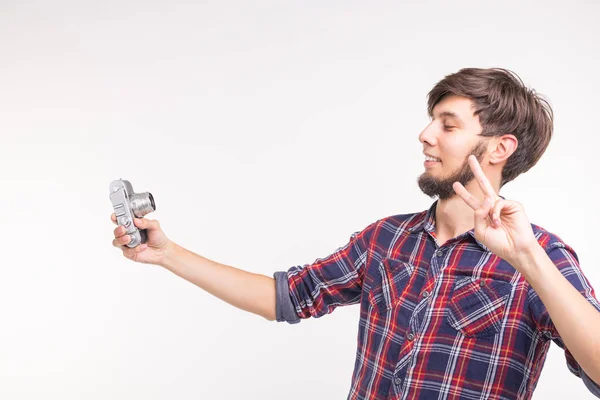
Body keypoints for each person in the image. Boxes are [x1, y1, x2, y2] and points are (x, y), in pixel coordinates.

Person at [111, 68, 600, 399]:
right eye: (431, 120)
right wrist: (168, 254)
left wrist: (529, 260)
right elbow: (284, 298)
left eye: (447, 125)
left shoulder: (540, 256)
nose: (425, 135)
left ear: (499, 149)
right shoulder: (385, 240)